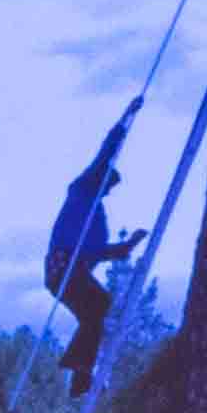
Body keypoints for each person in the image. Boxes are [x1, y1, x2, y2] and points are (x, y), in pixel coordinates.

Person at [41, 111, 133, 386]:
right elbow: (106, 153)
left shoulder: (95, 217)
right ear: (99, 180)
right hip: (64, 268)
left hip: (67, 274)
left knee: (93, 316)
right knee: (99, 305)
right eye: (106, 187)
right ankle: (77, 366)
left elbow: (97, 251)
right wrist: (125, 120)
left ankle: (80, 375)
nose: (106, 194)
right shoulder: (81, 190)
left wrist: (129, 245)